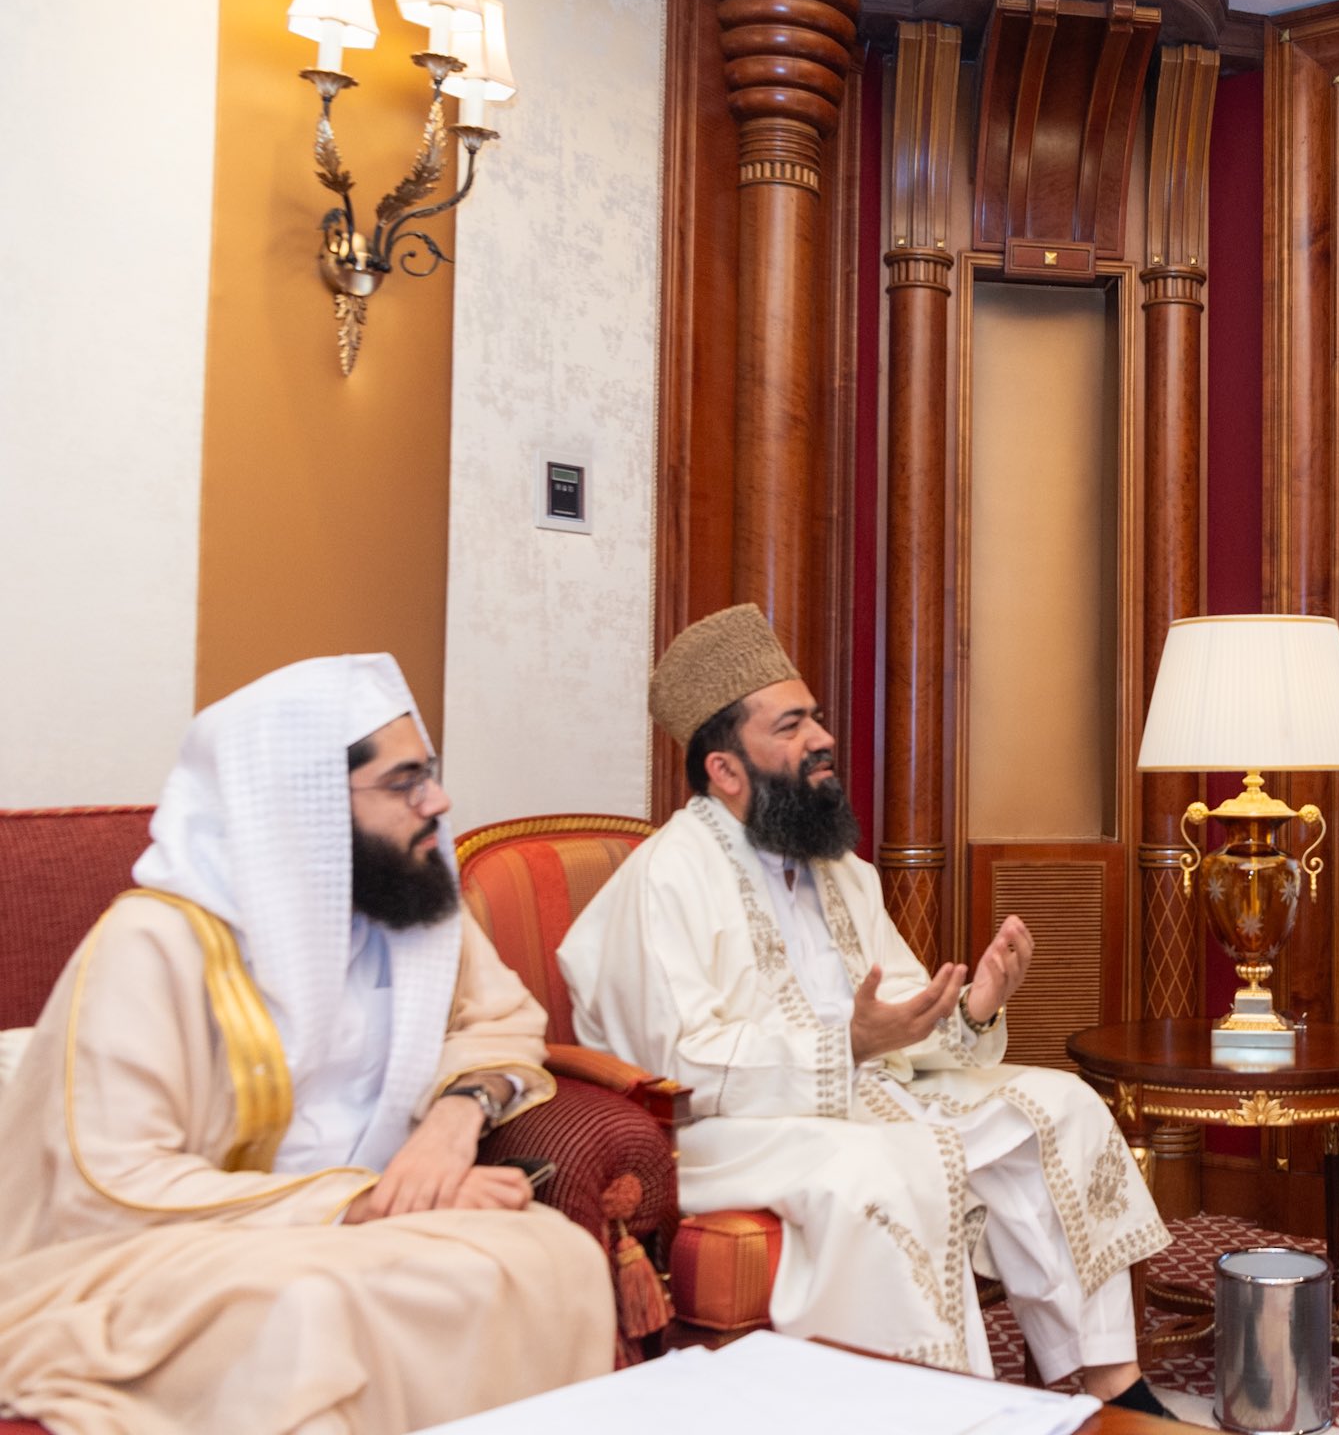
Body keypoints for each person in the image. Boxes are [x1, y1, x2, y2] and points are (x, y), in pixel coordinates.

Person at [559, 605, 1176, 1413]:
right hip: (724, 1134)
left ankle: (1112, 1384)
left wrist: (973, 1009)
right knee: (890, 1166)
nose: (822, 737)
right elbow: (677, 1064)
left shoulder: (841, 871)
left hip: (864, 1092)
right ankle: (937, 1409)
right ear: (725, 769)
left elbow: (898, 1020)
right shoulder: (667, 878)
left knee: (1061, 1105)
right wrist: (839, 1045)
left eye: (816, 715)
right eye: (792, 724)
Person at [0, 656, 614, 1435]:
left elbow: (498, 1020)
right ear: (305, 803)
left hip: (379, 1213)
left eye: (430, 774)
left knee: (552, 1256)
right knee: (307, 1308)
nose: (439, 801)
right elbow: (116, 1179)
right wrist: (351, 1204)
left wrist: (452, 1124)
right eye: (405, 783)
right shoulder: (152, 941)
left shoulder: (414, 910)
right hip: (164, 1247)